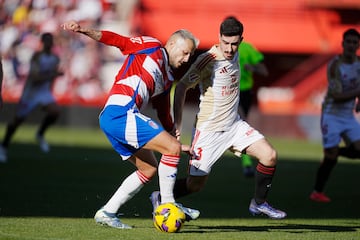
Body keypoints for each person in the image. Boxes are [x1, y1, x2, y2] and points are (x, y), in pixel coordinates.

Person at [61, 20, 200, 229]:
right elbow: (118, 41)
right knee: (170, 149)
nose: (187, 59)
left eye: (190, 55)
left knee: (149, 168)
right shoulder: (151, 45)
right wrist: (84, 30)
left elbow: (163, 112)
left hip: (115, 118)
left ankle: (107, 212)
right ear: (171, 44)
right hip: (120, 113)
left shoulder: (167, 77)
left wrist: (176, 138)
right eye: (185, 52)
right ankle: (169, 205)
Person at [150, 16, 286, 219]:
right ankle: (160, 196)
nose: (230, 49)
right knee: (195, 185)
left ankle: (259, 203)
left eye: (234, 43)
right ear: (219, 38)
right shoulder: (208, 60)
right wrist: (177, 125)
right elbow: (181, 88)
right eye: (225, 43)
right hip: (209, 131)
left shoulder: (239, 53)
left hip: (234, 126)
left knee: (270, 155)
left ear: (241, 40)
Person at [310, 28, 360, 203]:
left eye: (355, 42)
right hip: (331, 114)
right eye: (348, 42)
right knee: (330, 157)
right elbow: (337, 96)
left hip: (348, 116)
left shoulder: (359, 64)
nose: (351, 45)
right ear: (342, 44)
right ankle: (317, 192)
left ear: (358, 45)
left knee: (357, 149)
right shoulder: (335, 65)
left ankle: (335, 151)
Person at [0, 33, 62, 163]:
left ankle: (40, 134)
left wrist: (50, 92)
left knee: (55, 111)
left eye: (50, 41)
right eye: (46, 41)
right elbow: (35, 78)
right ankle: (4, 145)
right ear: (42, 42)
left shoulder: (55, 58)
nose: (49, 43)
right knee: (17, 122)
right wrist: (53, 75)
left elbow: (50, 79)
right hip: (31, 93)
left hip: (43, 92)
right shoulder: (37, 57)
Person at [238, 41, 269, 177]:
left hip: (244, 92)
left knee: (241, 124)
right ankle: (247, 164)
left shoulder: (247, 48)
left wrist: (252, 68)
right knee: (241, 122)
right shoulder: (220, 49)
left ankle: (247, 163)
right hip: (229, 92)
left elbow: (264, 71)